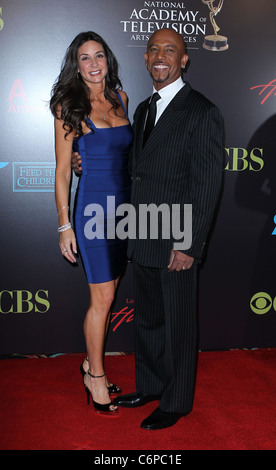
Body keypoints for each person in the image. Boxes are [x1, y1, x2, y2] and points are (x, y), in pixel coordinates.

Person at [72, 28, 224, 430]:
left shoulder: (202, 111)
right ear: (144, 59)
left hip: (176, 237)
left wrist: (189, 244)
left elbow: (207, 185)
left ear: (184, 59)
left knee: (177, 323)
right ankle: (152, 385)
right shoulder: (140, 108)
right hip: (140, 232)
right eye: (153, 49)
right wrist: (84, 161)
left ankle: (176, 402)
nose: (160, 57)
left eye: (170, 50)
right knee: (150, 320)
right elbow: (133, 166)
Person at [50, 31, 133, 416]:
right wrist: (64, 225)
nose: (94, 63)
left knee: (110, 293)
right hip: (93, 212)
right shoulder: (69, 105)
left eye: (99, 55)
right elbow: (64, 171)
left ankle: (88, 363)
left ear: (107, 59)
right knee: (101, 299)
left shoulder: (120, 98)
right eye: (85, 58)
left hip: (124, 211)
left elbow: (124, 153)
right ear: (76, 64)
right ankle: (95, 376)